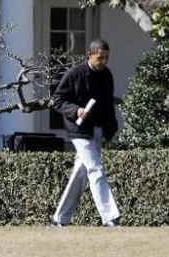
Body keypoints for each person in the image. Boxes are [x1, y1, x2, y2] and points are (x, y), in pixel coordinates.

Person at [51, 39, 120, 227]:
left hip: (97, 130)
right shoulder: (75, 74)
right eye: (100, 58)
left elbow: (107, 106)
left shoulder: (107, 75)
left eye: (106, 58)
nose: (104, 61)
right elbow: (57, 100)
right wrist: (77, 111)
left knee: (81, 173)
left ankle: (60, 218)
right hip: (79, 130)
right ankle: (110, 216)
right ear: (89, 55)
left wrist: (111, 130)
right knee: (95, 169)